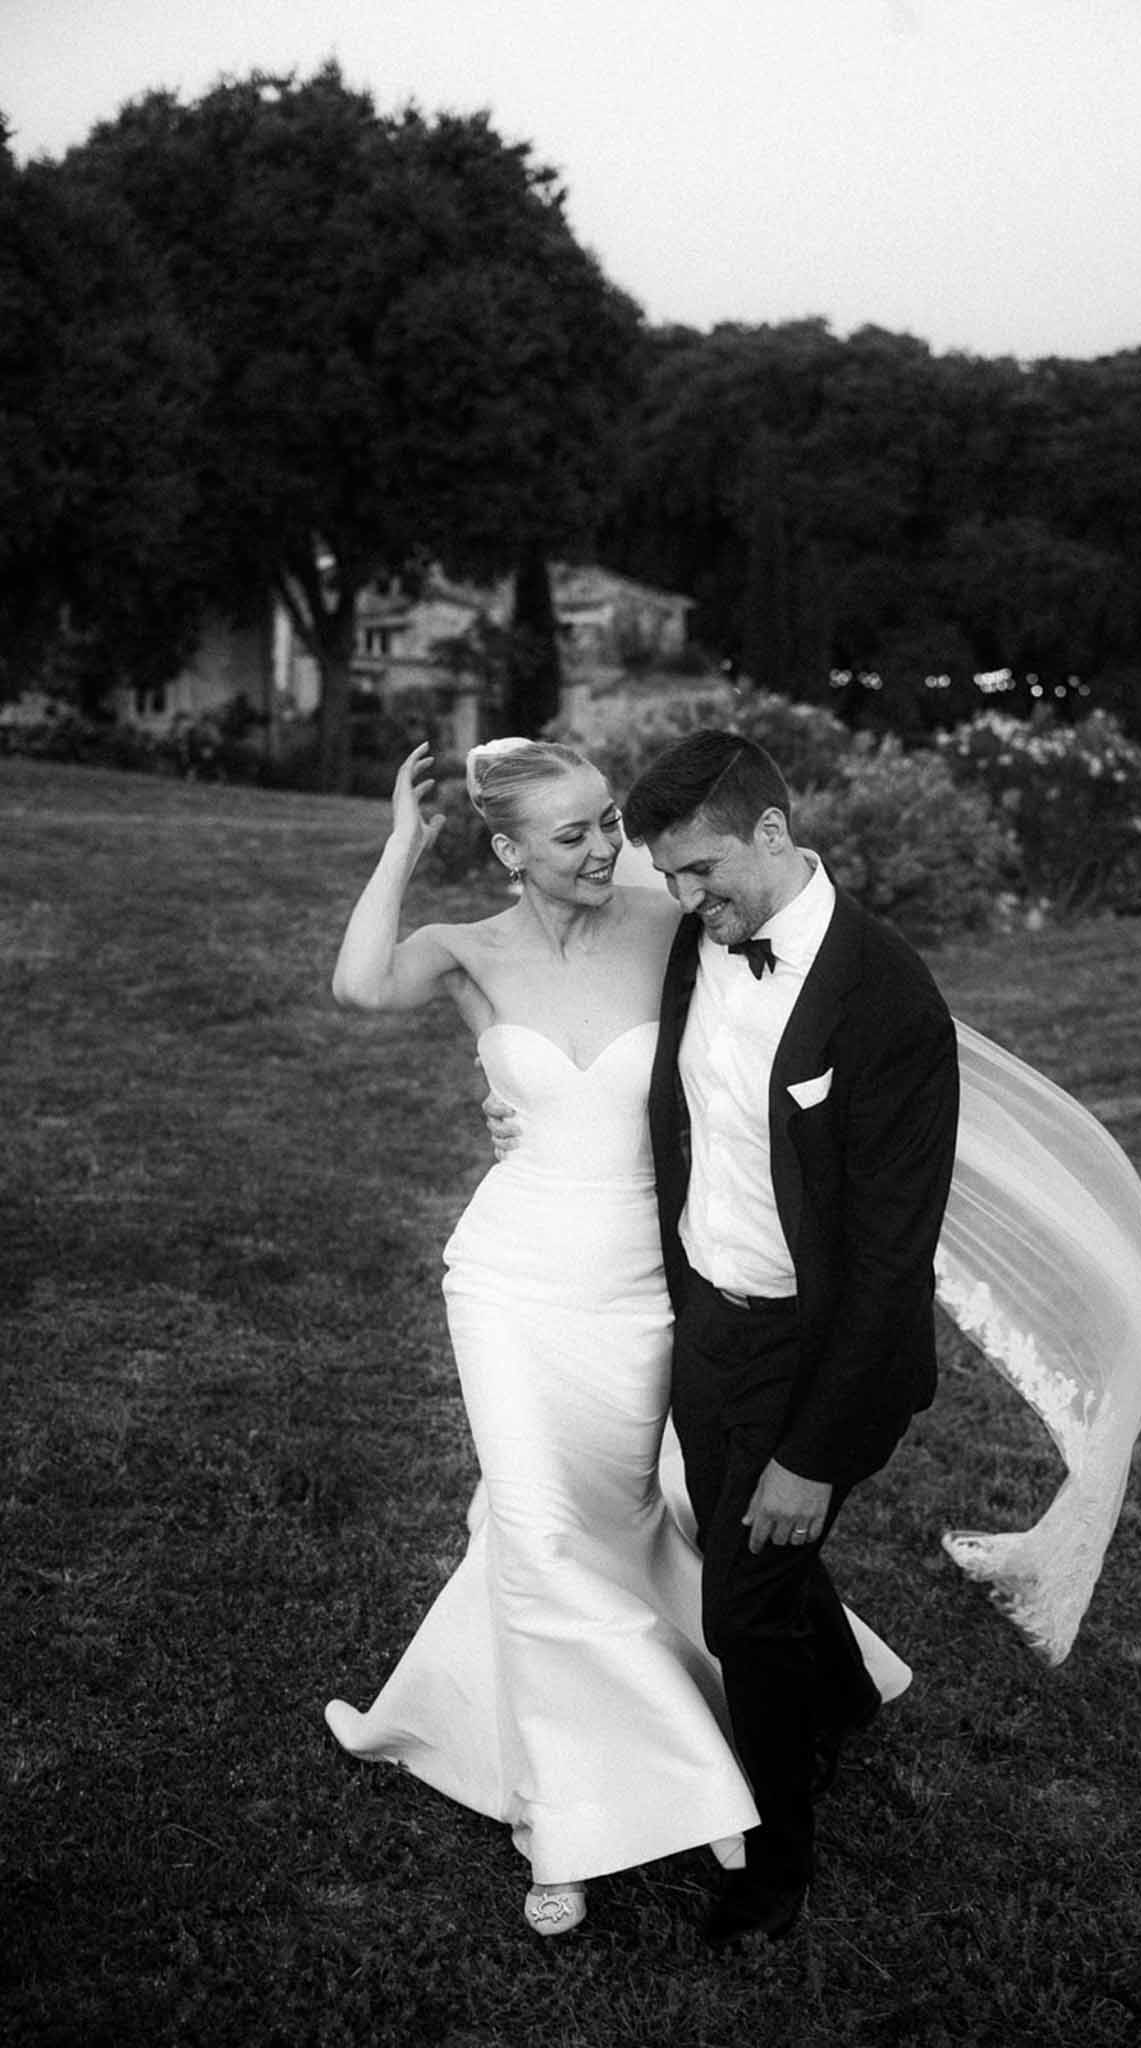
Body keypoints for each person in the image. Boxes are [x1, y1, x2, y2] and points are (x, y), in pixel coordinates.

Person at [322, 736, 913, 1940]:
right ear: (505, 850)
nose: (606, 848)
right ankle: (573, 1815)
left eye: (607, 822)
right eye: (573, 832)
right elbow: (357, 985)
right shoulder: (465, 953)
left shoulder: (668, 916)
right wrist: (398, 847)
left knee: (628, 1519)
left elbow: (774, 951)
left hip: (646, 1289)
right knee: (536, 1531)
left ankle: (765, 1686)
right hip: (507, 1280)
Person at [611, 730, 960, 1945]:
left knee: (743, 1602)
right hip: (708, 1313)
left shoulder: (889, 997)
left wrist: (812, 1453)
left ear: (773, 829)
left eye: (701, 868)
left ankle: (772, 1858)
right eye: (666, 875)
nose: (683, 897)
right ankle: (848, 1692)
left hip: (814, 1348)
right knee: (732, 1527)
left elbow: (886, 1260)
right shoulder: (689, 942)